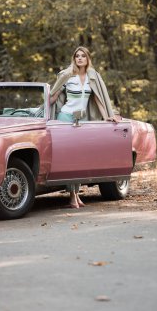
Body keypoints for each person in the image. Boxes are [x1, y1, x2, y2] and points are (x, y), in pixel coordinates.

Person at [50, 46, 116, 209]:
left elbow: (99, 99)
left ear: (87, 59)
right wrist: (50, 101)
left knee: (79, 159)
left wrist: (108, 115)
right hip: (65, 118)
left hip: (82, 120)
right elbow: (52, 96)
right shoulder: (67, 75)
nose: (80, 58)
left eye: (83, 56)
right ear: (74, 59)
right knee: (69, 159)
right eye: (77, 56)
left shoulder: (92, 77)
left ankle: (77, 195)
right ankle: (73, 197)